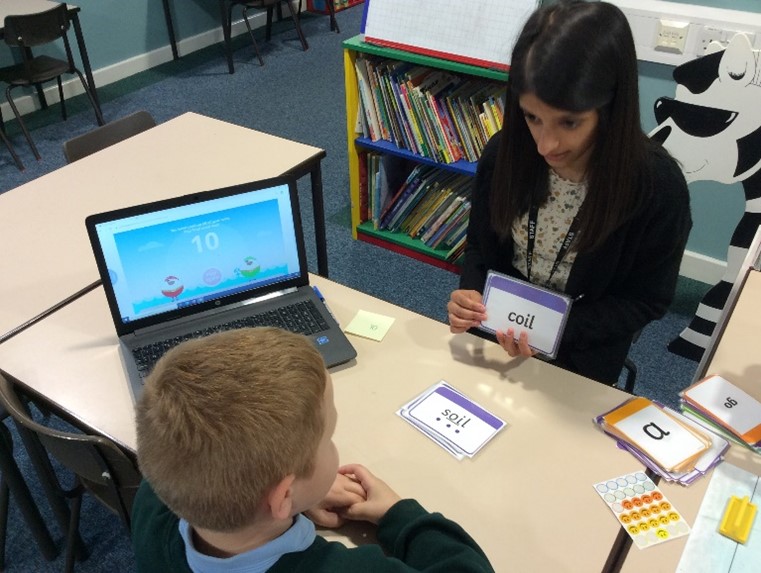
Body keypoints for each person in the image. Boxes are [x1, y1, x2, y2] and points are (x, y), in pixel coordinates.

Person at [447, 0, 692, 385]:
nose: (546, 145)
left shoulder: (657, 188)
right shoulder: (504, 153)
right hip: (496, 334)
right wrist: (472, 294)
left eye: (570, 122)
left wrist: (553, 332)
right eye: (532, 117)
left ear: (610, 107)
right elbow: (480, 246)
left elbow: (647, 299)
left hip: (581, 351)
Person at [132, 327, 494, 572]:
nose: (333, 444)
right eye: (329, 438)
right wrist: (399, 515)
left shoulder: (154, 501)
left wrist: (299, 501)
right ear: (282, 494)